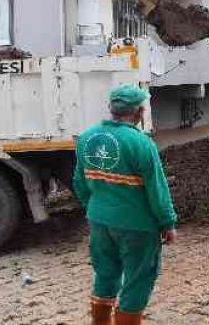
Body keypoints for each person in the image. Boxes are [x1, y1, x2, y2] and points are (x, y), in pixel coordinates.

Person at [73, 83, 178, 325]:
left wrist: (97, 206)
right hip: (137, 226)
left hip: (99, 222)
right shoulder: (141, 143)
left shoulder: (87, 137)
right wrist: (167, 222)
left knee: (105, 274)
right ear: (139, 112)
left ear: (111, 108)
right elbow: (157, 189)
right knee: (138, 279)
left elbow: (79, 181)